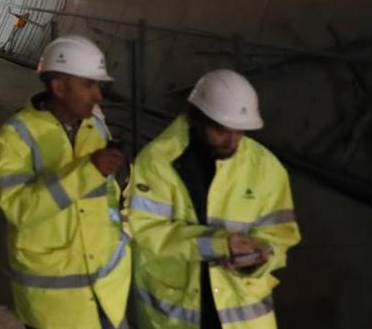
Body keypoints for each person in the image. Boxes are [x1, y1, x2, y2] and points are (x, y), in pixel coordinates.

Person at [127, 69, 300, 329]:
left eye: (240, 132)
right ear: (197, 119)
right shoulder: (157, 161)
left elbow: (281, 236)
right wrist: (217, 244)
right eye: (221, 130)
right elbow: (146, 230)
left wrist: (261, 257)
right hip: (176, 313)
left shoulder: (266, 167)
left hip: (243, 316)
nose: (232, 142)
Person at [0, 35, 132, 329]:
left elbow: (111, 196)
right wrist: (87, 171)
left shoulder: (96, 127)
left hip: (108, 287)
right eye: (89, 85)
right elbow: (19, 209)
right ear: (58, 87)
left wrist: (124, 233)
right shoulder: (17, 135)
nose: (98, 95)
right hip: (56, 303)